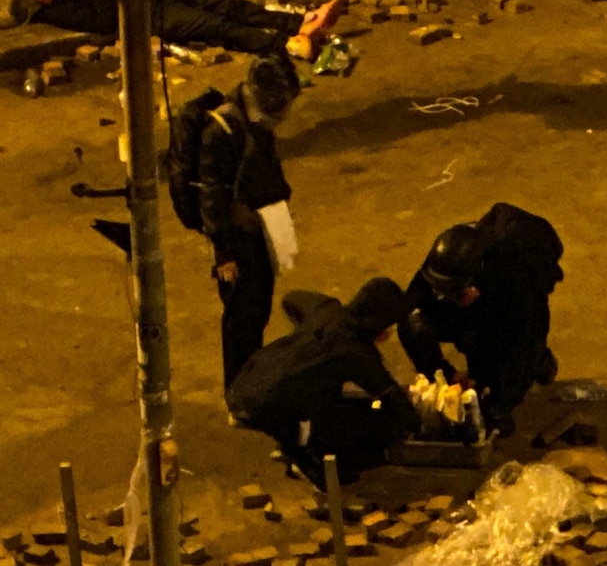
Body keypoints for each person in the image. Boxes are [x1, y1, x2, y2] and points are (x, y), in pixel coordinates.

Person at [226, 278, 422, 492]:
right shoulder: (356, 352)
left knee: (324, 393)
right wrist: (416, 424)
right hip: (264, 404)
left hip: (245, 382)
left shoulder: (326, 309)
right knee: (383, 425)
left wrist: (304, 334)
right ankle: (308, 458)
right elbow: (389, 393)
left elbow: (290, 299)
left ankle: (292, 436)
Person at [397, 204, 563, 439]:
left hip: (511, 317)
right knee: (419, 325)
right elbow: (410, 318)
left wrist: (498, 400)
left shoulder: (513, 275)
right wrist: (442, 375)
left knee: (509, 358)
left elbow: (520, 340)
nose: (443, 296)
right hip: (479, 305)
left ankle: (541, 363)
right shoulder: (441, 266)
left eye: (454, 292)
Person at [196, 55, 299, 394]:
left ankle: (251, 381)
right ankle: (238, 391)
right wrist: (223, 255)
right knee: (242, 316)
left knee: (258, 309)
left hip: (260, 228)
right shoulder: (222, 131)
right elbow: (211, 196)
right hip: (235, 239)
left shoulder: (255, 125)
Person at [18, 0, 340, 59]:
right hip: (147, 14)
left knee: (225, 3)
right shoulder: (61, 11)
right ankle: (287, 45)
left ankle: (299, 21)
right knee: (215, 25)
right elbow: (105, 19)